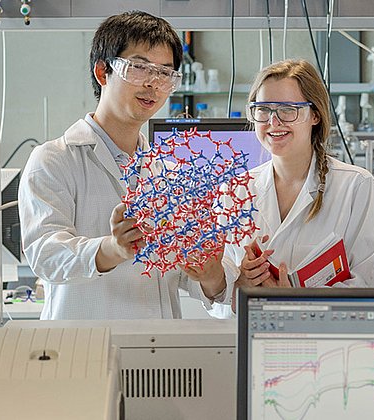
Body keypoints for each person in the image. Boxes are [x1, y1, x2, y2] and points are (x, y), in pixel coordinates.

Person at [18, 11, 226, 319]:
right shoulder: (54, 160)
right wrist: (113, 249)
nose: (153, 84)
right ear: (103, 72)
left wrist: (211, 273)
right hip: (84, 351)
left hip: (161, 353)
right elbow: (46, 256)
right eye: (139, 68)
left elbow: (188, 276)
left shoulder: (171, 174)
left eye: (165, 73)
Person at [207, 59, 374, 315]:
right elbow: (217, 295)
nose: (274, 122)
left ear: (315, 115)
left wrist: (298, 301)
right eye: (263, 109)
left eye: (288, 109)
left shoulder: (356, 187)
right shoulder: (234, 191)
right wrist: (240, 283)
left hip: (323, 344)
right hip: (246, 340)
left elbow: (371, 286)